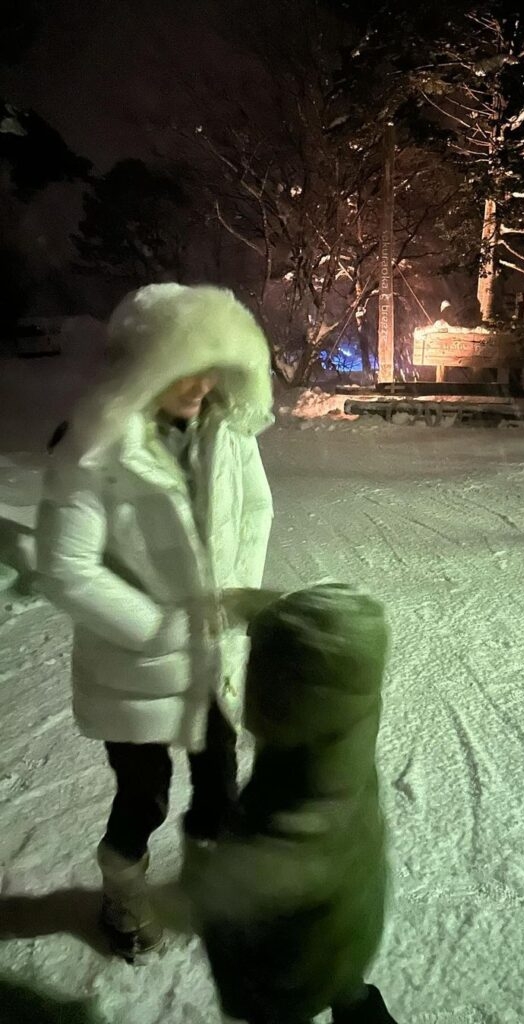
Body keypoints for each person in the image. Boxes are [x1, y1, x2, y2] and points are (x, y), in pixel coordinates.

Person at [34, 283, 274, 960]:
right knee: (144, 797)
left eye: (212, 364)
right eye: (182, 365)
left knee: (221, 786)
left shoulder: (226, 429)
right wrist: (163, 629)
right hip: (133, 664)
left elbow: (254, 509)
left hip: (211, 656)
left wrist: (233, 599)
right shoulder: (94, 446)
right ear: (144, 369)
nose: (201, 382)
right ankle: (123, 894)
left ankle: (210, 886)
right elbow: (66, 566)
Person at [180, 583, 398, 1024]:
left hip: (293, 956)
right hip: (349, 912)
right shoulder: (347, 719)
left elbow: (245, 882)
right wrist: (253, 609)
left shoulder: (311, 812)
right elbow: (319, 651)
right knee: (344, 979)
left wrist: (168, 892)